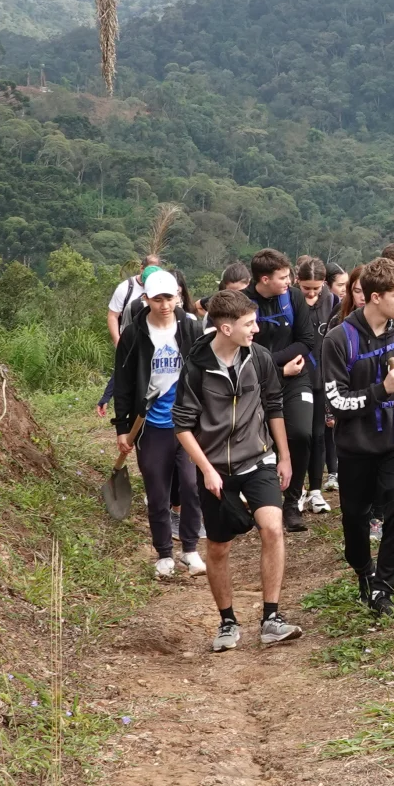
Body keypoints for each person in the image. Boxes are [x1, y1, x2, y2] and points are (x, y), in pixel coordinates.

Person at [174, 291, 303, 651]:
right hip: (214, 469)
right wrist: (207, 471)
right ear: (226, 327)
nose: (256, 330)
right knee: (217, 547)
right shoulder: (196, 366)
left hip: (257, 459)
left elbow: (274, 406)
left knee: (273, 529)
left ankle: (271, 618)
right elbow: (182, 426)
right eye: (249, 324)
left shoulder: (259, 358)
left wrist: (285, 456)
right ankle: (227, 622)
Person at [323, 256, 394, 615]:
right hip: (355, 449)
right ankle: (363, 570)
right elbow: (337, 402)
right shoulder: (339, 340)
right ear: (374, 297)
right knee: (354, 520)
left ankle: (383, 589)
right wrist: (381, 391)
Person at [110, 266, 207, 576]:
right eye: (157, 299)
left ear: (178, 297)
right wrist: (122, 429)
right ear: (147, 299)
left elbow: (206, 373)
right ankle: (164, 552)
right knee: (157, 488)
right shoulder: (135, 334)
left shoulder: (191, 329)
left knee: (191, 485)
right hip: (150, 425)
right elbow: (123, 383)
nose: (164, 305)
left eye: (169, 298)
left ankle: (190, 549)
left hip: (187, 422)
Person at [245, 248, 318, 532]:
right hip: (257, 381)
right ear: (264, 279)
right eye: (283, 277)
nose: (289, 281)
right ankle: (265, 502)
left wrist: (277, 365)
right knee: (261, 441)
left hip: (295, 376)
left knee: (301, 433)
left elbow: (307, 340)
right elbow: (242, 349)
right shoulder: (243, 303)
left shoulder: (294, 297)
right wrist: (275, 368)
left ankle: (292, 502)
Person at [292, 257, 334, 514]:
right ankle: (295, 490)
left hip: (322, 377)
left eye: (316, 288)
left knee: (318, 434)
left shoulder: (331, 302)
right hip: (297, 377)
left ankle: (315, 490)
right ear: (297, 281)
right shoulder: (292, 301)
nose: (311, 292)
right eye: (306, 287)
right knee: (300, 434)